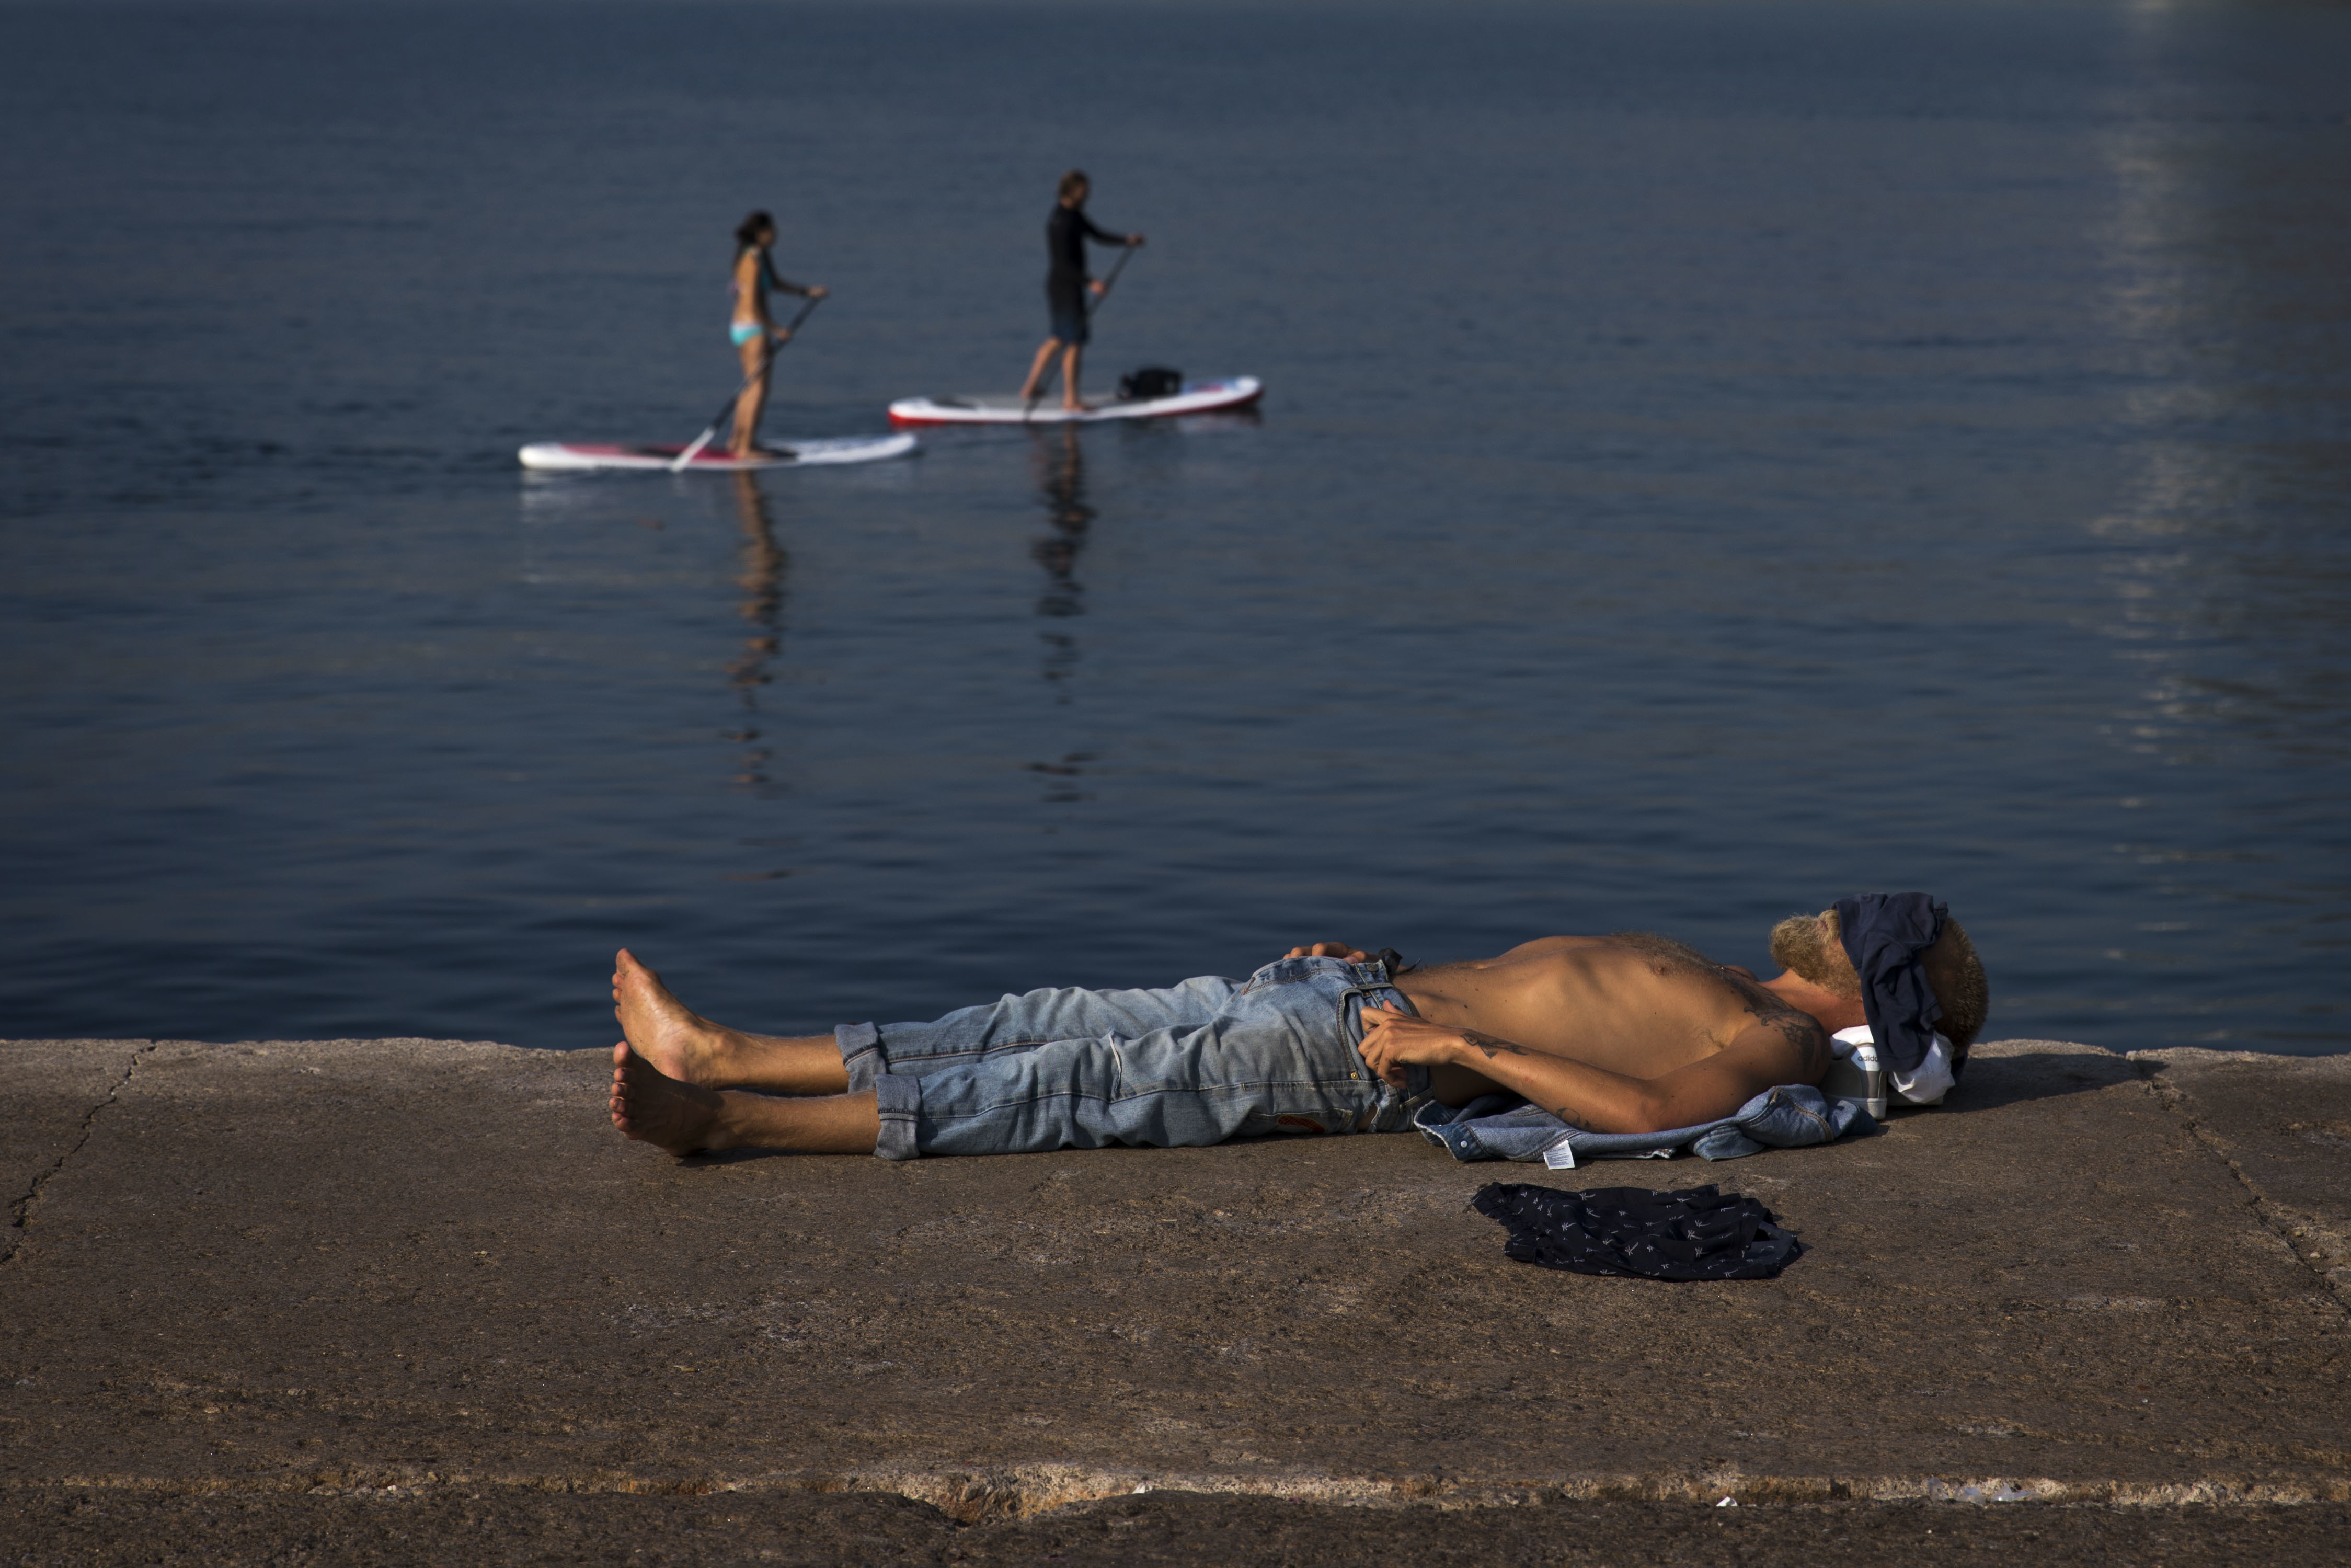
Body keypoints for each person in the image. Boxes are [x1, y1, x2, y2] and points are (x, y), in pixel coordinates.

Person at [606, 897, 1990, 1161]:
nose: (1828, 907)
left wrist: (1467, 1056)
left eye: (1858, 927)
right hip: (1342, 993)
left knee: (1075, 1082)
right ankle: (731, 1050)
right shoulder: (1723, 967)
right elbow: (1546, 978)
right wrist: (1382, 965)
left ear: (1866, 988)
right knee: (1046, 1014)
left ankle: (733, 1121)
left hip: (1362, 1054)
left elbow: (1650, 1112)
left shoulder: (1787, 1045)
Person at [1017, 170, 1143, 411]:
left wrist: (1127, 240)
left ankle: (1031, 387)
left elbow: (1098, 235)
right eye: (1084, 191)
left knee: (1057, 339)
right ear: (1072, 191)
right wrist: (1090, 282)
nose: (1088, 195)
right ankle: (1071, 400)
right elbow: (1064, 265)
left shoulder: (1072, 216)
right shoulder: (1063, 222)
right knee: (1073, 342)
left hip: (1061, 285)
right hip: (1066, 285)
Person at [726, 211, 827, 458]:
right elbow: (751, 302)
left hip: (742, 328)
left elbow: (776, 283)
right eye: (773, 231)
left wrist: (807, 292)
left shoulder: (756, 254)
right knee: (758, 387)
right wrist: (776, 329)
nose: (776, 235)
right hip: (753, 329)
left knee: (749, 385)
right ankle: (747, 447)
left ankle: (737, 441)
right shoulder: (752, 259)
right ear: (762, 233)